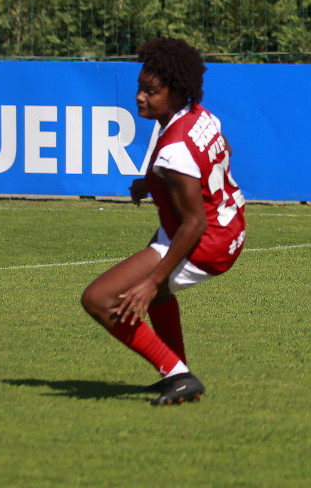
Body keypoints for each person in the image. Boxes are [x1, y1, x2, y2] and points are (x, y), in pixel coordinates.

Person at [81, 37, 246, 405]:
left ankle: (179, 375)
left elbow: (194, 224)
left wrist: (151, 280)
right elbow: (224, 152)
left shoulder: (175, 149)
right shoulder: (199, 116)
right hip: (228, 223)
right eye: (140, 88)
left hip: (204, 241)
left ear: (176, 91)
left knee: (101, 299)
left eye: (150, 91)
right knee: (153, 297)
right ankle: (177, 371)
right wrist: (153, 182)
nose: (140, 97)